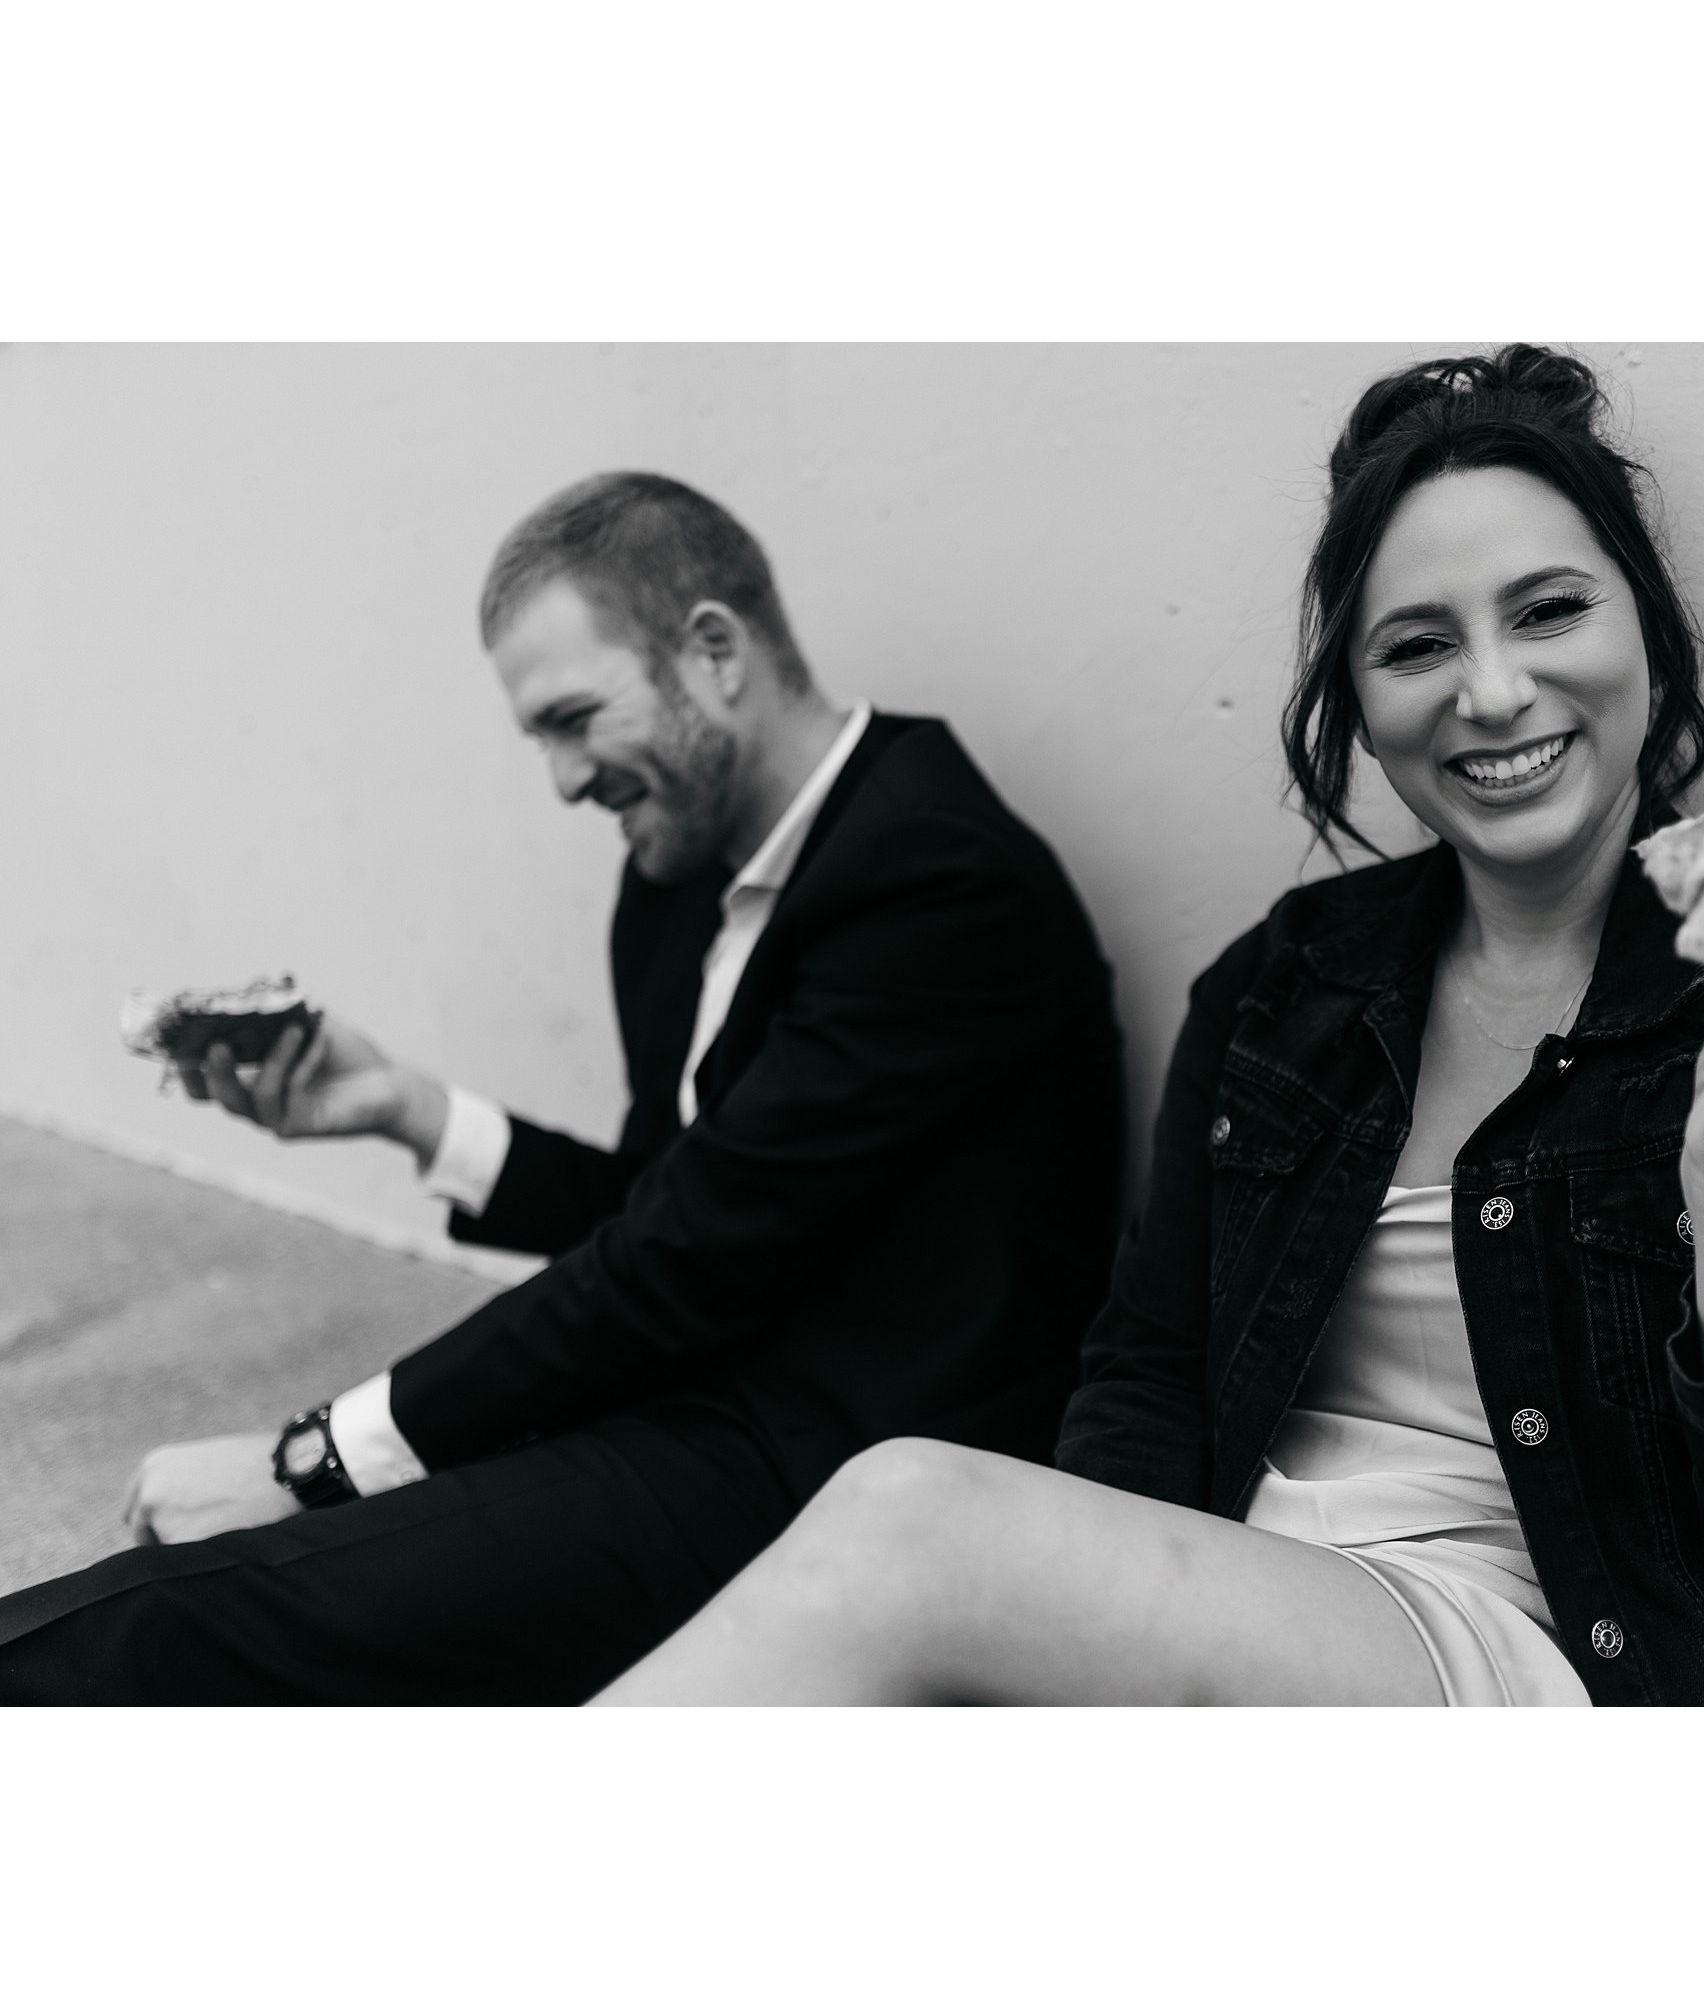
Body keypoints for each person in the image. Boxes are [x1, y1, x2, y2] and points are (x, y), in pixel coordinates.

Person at [593, 347, 1704, 1708]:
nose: (1490, 691)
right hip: (1241, 1615)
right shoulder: (1285, 988)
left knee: (909, 1516)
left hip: (1552, 1666)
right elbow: (1149, 1378)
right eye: (1416, 644)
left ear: (1646, 627)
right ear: (1358, 695)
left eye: (1548, 611)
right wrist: (1066, 1660)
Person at [0, 472, 1122, 1704]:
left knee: (178, 1622)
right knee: (207, 1599)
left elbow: (677, 1261)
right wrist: (411, 1110)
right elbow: (668, 1206)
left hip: (827, 1480)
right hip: (681, 1401)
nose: (563, 778)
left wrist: (311, 1458)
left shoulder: (936, 877)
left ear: (712, 650)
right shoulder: (678, 877)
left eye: (574, 717)